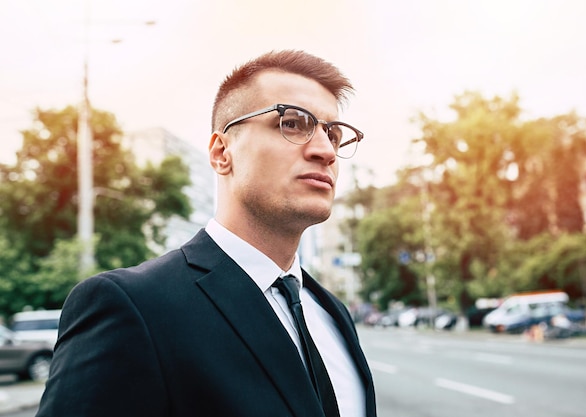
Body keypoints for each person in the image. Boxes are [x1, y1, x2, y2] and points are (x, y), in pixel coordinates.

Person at [36, 50, 376, 417]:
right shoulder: (131, 306)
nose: (326, 151)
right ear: (221, 153)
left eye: (334, 134)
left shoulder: (331, 311)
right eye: (292, 123)